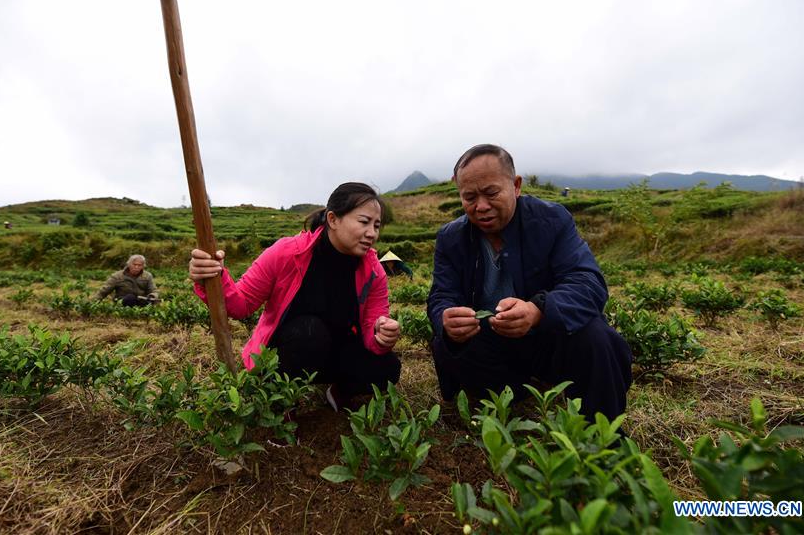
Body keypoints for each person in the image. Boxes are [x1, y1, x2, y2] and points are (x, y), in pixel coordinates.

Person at [427, 144, 632, 422]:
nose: (481, 206)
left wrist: (538, 310)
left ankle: (604, 435)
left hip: (546, 337)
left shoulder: (552, 220)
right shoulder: (451, 238)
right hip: (490, 344)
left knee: (597, 337)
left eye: (491, 193)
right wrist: (445, 319)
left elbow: (588, 282)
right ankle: (508, 393)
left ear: (516, 185)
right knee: (445, 345)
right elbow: (442, 294)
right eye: (470, 197)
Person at [188, 182, 402, 410]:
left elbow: (372, 324)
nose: (372, 233)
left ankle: (339, 392)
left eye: (377, 225)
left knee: (387, 368)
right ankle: (280, 404)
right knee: (309, 332)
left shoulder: (373, 270)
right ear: (333, 219)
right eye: (364, 222)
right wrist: (213, 278)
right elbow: (241, 304)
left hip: (336, 351)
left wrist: (381, 334)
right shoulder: (287, 253)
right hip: (286, 354)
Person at [95, 254, 160, 306]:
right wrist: (92, 304)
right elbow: (104, 291)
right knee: (130, 298)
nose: (136, 267)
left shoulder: (147, 276)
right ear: (129, 264)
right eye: (134, 264)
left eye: (139, 265)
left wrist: (152, 296)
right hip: (123, 301)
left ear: (143, 266)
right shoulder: (117, 276)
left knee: (146, 301)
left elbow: (153, 290)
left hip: (140, 301)